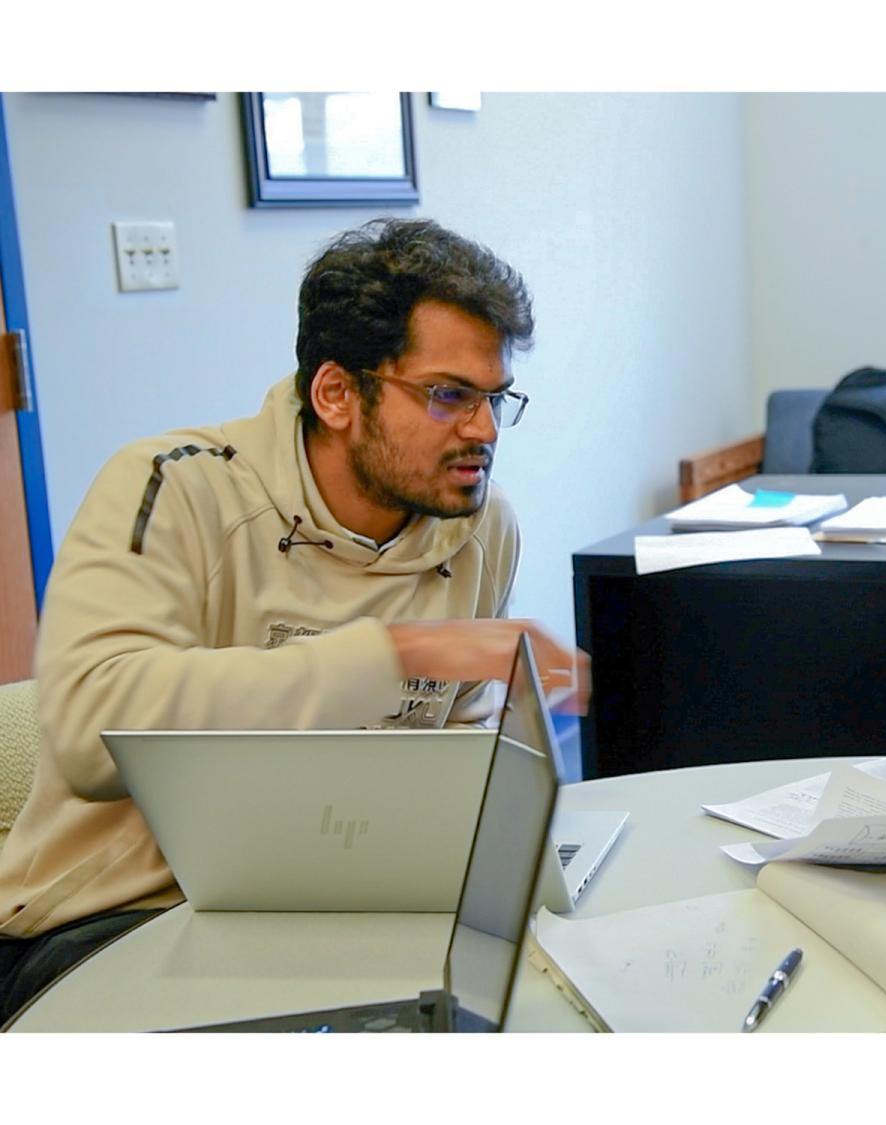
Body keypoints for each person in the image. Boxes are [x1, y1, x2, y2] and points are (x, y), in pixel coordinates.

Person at [0, 218, 587, 1023]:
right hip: (115, 917)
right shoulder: (170, 487)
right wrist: (400, 653)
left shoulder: (480, 526)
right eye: (448, 395)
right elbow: (89, 724)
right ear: (337, 393)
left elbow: (451, 759)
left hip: (351, 906)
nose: (483, 430)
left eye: (495, 398)